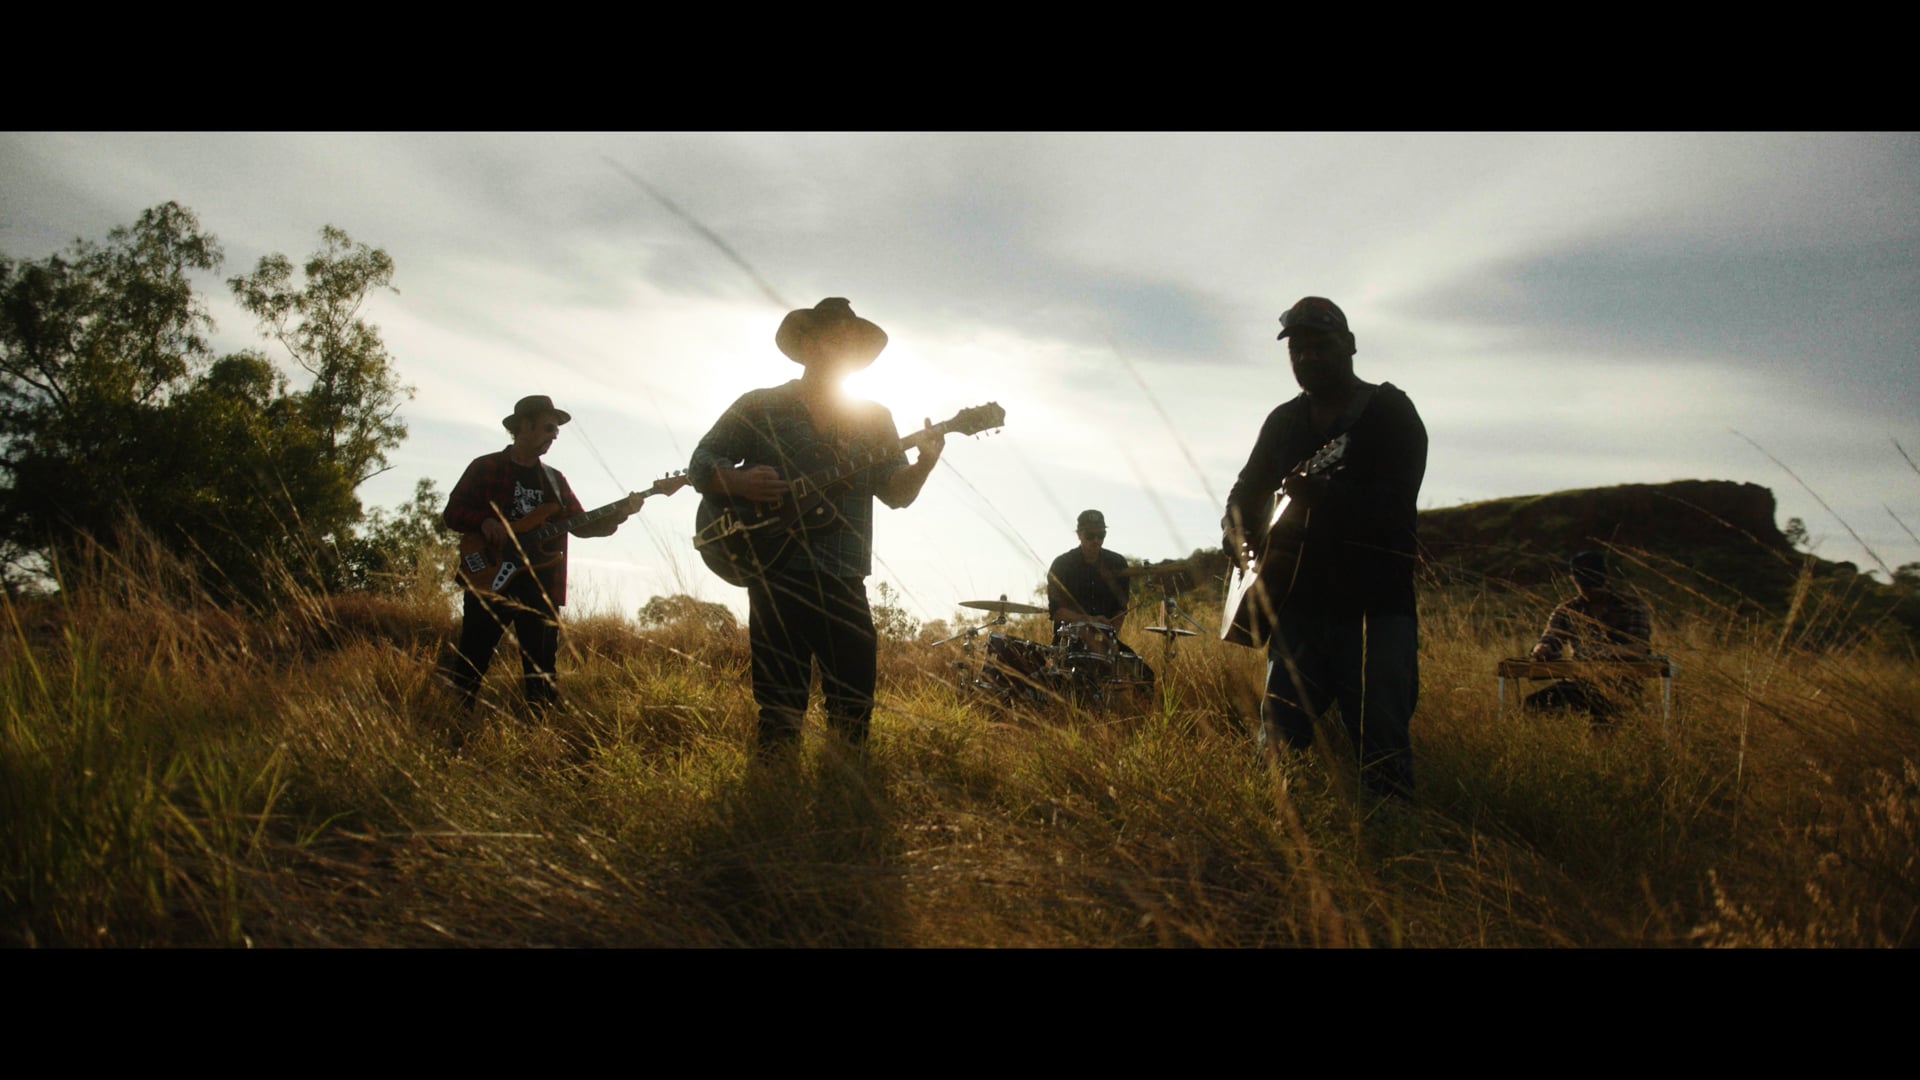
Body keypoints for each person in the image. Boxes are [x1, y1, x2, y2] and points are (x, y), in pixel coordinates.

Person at [689, 297, 945, 757]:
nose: (840, 349)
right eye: (831, 339)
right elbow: (701, 461)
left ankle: (845, 806)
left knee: (853, 704)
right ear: (806, 344)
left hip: (844, 573)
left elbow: (896, 493)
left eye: (848, 343)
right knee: (779, 708)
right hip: (774, 568)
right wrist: (740, 481)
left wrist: (925, 464)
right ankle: (772, 803)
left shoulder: (874, 417)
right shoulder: (762, 404)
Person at [1222, 296, 1427, 801]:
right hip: (1300, 608)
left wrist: (1331, 496)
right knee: (1276, 742)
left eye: (1321, 345)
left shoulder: (1388, 412)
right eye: (1298, 349)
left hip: (1374, 608)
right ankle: (1275, 846)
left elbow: (1398, 504)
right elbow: (1247, 489)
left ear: (1351, 345)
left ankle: (1394, 853)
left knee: (1381, 745)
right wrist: (1237, 532)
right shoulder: (1284, 422)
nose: (1308, 357)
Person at [442, 394, 634, 714]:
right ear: (524, 425)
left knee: (542, 672)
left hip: (542, 586)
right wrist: (485, 520)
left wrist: (622, 511)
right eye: (548, 427)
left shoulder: (555, 481)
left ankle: (539, 736)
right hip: (489, 579)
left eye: (556, 431)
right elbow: (453, 513)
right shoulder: (486, 467)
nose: (553, 436)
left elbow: (581, 525)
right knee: (472, 660)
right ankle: (454, 726)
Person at [1524, 550, 1655, 721]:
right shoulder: (1568, 610)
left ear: (1606, 578)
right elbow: (1551, 638)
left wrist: (1606, 652)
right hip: (1580, 684)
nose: (1591, 590)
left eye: (1595, 584)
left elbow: (1640, 649)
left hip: (1622, 686)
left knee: (1602, 714)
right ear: (1574, 580)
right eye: (1585, 585)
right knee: (1534, 704)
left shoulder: (1630, 607)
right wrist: (1542, 649)